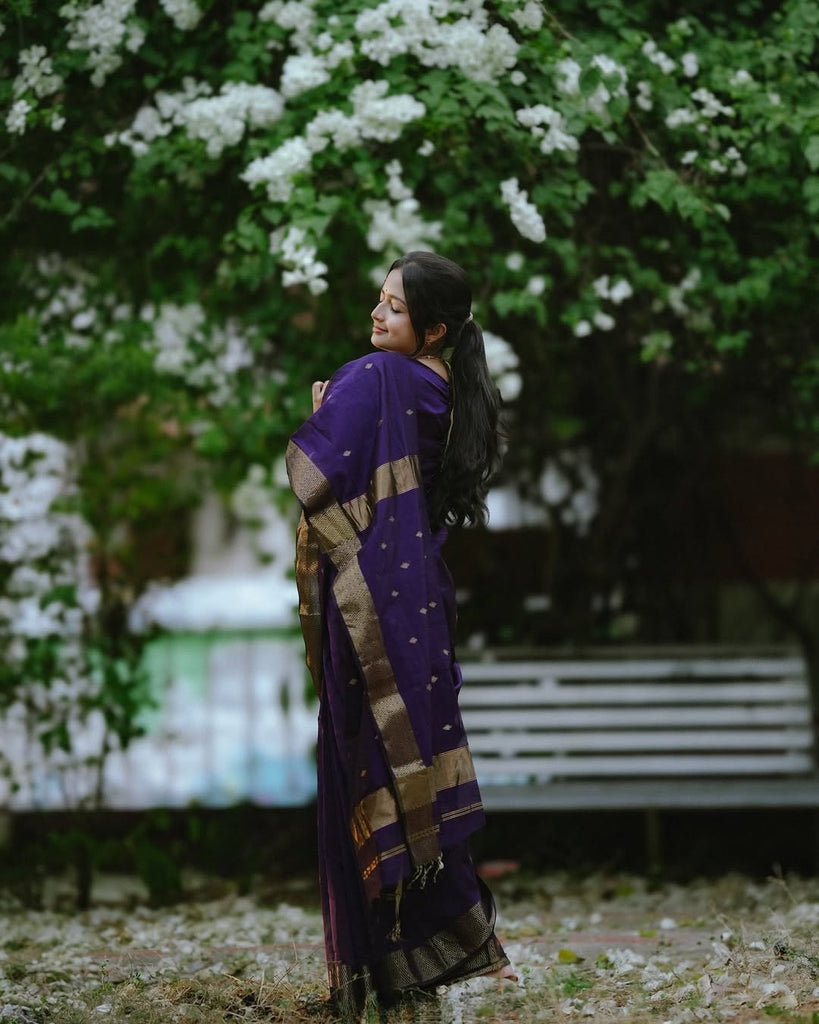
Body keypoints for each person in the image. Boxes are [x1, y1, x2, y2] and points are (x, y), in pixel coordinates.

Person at [285, 250, 514, 1018]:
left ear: (434, 329)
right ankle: (424, 955)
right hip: (415, 603)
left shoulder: (378, 377)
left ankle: (380, 970)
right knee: (404, 764)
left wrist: (324, 409)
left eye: (395, 308)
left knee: (364, 765)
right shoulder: (444, 385)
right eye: (379, 300)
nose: (378, 315)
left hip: (371, 608)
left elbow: (317, 468)